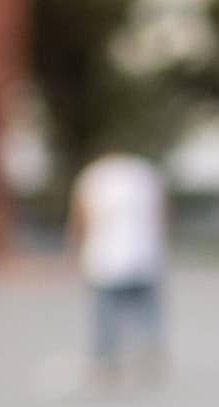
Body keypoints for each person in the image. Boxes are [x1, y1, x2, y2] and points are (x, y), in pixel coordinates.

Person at [68, 148, 169, 388]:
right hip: (144, 255)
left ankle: (107, 363)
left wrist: (74, 249)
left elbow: (82, 218)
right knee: (145, 311)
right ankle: (147, 352)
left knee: (106, 314)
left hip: (105, 257)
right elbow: (161, 214)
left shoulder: (94, 177)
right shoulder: (144, 174)